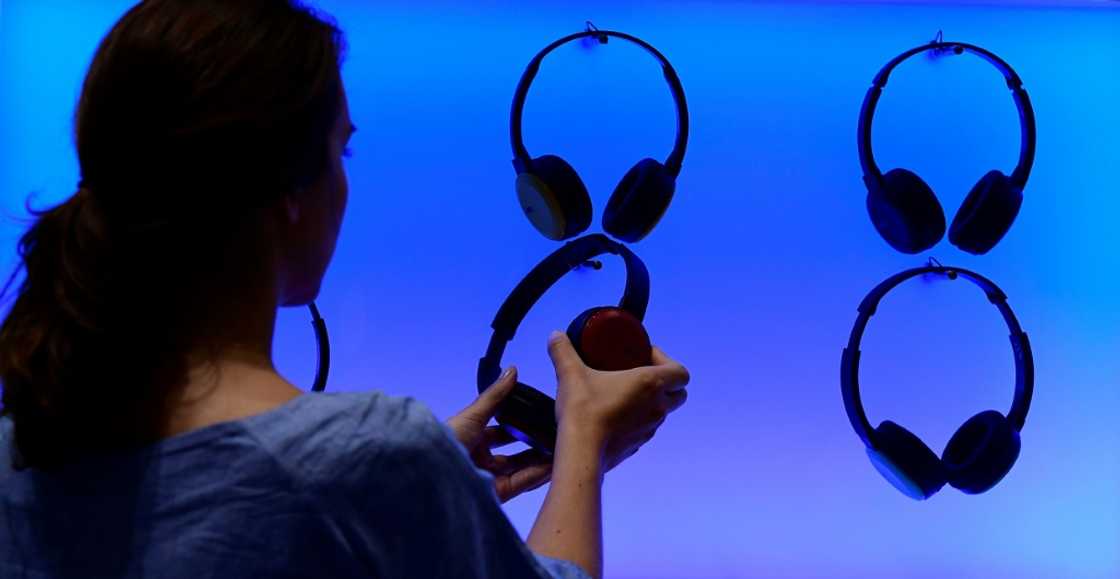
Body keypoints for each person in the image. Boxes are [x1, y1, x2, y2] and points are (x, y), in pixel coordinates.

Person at [0, 1, 691, 578]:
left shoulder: (23, 439)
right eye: (342, 149)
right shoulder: (366, 454)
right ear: (287, 191)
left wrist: (423, 490)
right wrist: (585, 448)